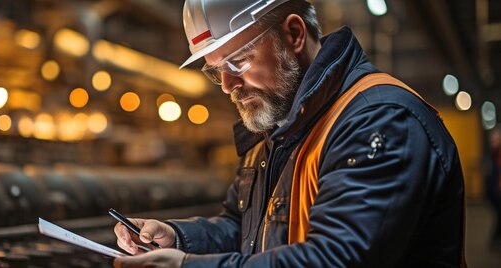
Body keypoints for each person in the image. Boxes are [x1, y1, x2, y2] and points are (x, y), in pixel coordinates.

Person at [114, 0, 466, 267]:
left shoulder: (380, 122)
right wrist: (180, 238)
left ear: (294, 34)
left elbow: (335, 259)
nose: (227, 85)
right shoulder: (275, 127)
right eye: (216, 69)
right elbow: (245, 231)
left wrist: (190, 267)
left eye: (239, 61)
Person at [485, 127, 501, 249]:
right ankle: (495, 240)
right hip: (495, 193)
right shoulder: (492, 154)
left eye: (495, 140)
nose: (492, 142)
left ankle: (495, 240)